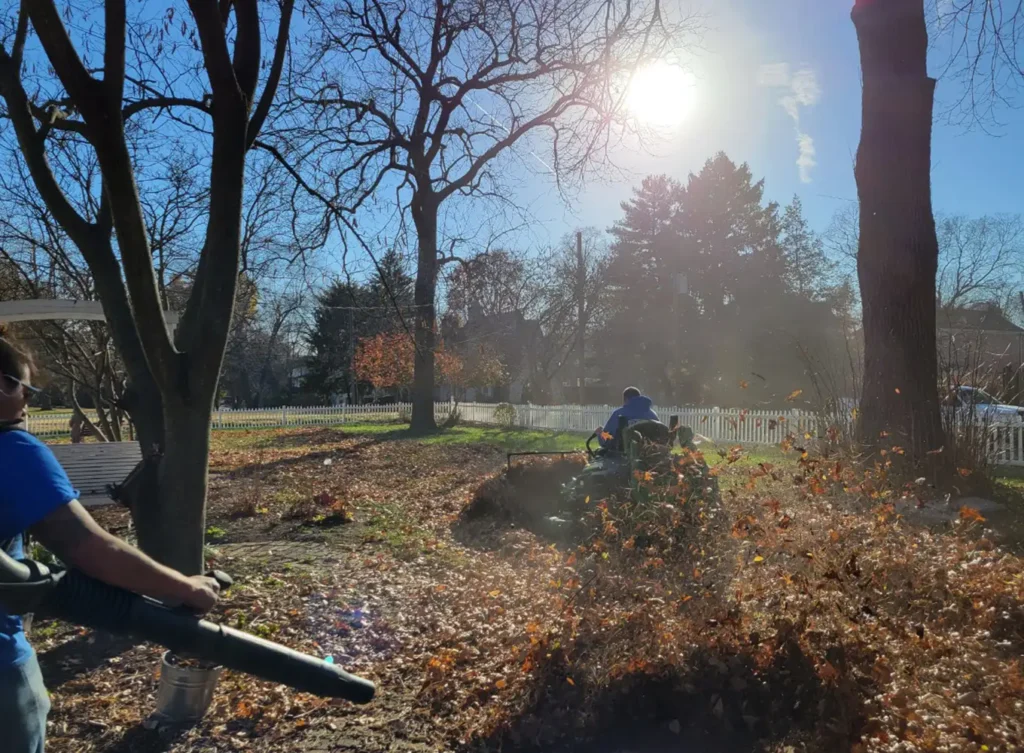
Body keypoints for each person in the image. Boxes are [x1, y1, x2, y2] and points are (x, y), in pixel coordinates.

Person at [0, 337, 221, 753]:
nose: (28, 397)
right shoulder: (12, 451)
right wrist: (186, 588)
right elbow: (87, 547)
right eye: (19, 385)